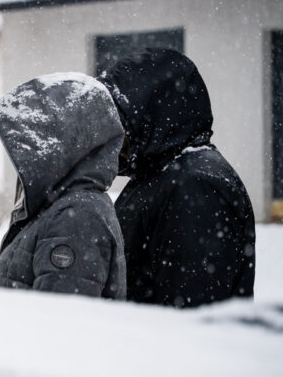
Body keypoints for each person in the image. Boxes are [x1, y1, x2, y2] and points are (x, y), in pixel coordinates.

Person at [99, 48, 255, 307]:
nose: (110, 131)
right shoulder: (156, 175)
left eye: (118, 118)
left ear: (151, 114)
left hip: (158, 336)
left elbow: (193, 312)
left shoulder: (195, 185)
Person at [0, 73, 126, 298]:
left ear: (65, 143)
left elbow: (60, 316)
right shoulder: (55, 206)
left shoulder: (77, 218)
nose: (29, 150)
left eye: (37, 137)